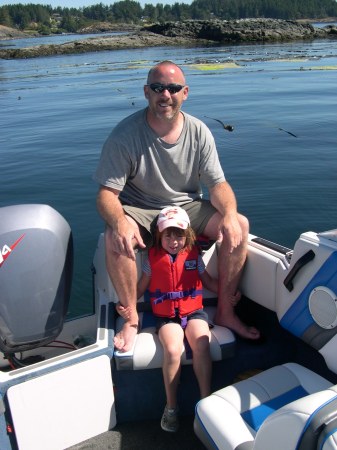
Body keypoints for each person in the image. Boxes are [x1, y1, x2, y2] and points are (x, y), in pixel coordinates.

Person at [94, 59, 260, 353]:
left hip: (187, 206)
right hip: (140, 208)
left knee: (240, 224)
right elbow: (106, 195)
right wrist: (120, 221)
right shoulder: (125, 135)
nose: (165, 94)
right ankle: (131, 319)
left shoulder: (199, 132)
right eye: (158, 87)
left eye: (173, 88)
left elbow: (218, 185)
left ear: (185, 92)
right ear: (146, 92)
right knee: (113, 235)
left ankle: (225, 310)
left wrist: (231, 215)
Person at [118, 206, 217, 432]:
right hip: (166, 317)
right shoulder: (152, 259)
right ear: (159, 235)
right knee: (172, 349)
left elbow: (209, 282)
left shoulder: (194, 256)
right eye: (168, 235)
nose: (173, 241)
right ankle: (171, 407)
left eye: (179, 235)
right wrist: (126, 304)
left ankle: (206, 402)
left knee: (202, 342)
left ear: (187, 236)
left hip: (194, 312)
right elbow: (141, 286)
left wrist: (229, 293)